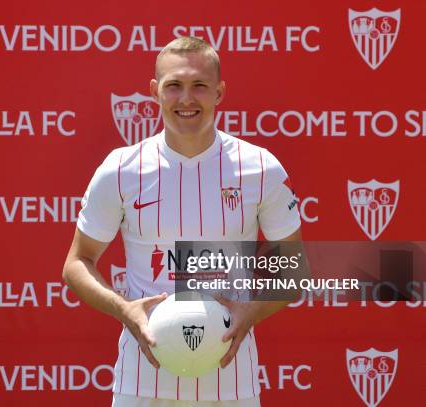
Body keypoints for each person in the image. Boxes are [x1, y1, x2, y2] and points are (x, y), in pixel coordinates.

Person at [63, 37, 302, 407]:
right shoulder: (121, 169)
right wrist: (124, 308)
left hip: (230, 381)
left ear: (220, 92)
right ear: (155, 91)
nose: (186, 99)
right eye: (174, 86)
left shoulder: (260, 167)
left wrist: (252, 310)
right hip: (143, 380)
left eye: (199, 86)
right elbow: (77, 263)